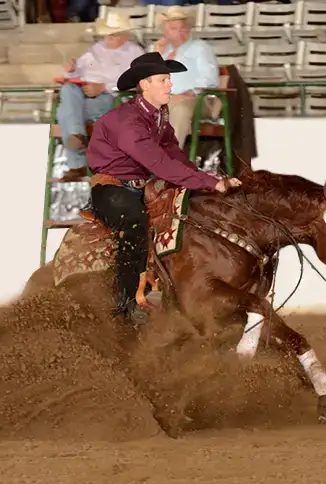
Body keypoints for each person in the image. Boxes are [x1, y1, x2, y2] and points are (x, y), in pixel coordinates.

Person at [86, 52, 243, 323]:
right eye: (163, 80)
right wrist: (211, 182)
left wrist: (201, 179)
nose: (170, 85)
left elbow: (172, 152)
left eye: (169, 79)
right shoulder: (127, 121)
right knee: (135, 221)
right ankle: (127, 304)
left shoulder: (158, 115)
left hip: (141, 186)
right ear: (145, 85)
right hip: (113, 189)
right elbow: (159, 162)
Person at [57, 11, 145, 176]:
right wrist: (71, 70)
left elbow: (137, 81)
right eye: (107, 35)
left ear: (125, 35)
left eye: (114, 35)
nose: (109, 38)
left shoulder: (135, 52)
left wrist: (104, 87)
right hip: (83, 93)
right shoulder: (94, 49)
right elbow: (77, 74)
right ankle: (77, 135)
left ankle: (77, 163)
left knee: (64, 113)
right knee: (67, 89)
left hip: (114, 97)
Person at [150, 6, 221, 147]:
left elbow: (210, 76)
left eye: (183, 28)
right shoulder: (162, 50)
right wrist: (157, 54)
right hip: (167, 100)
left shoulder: (199, 47)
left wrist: (190, 92)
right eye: (174, 29)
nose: (180, 32)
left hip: (196, 100)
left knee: (179, 109)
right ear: (165, 32)